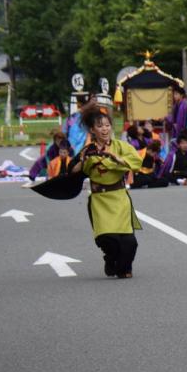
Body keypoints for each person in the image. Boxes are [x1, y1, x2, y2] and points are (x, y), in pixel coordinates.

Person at [69, 101, 143, 279]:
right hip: (99, 199)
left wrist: (116, 159)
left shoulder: (121, 147)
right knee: (107, 239)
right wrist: (83, 160)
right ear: (92, 129)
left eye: (107, 125)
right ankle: (110, 258)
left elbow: (136, 162)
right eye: (100, 126)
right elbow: (72, 172)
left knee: (129, 243)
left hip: (119, 197)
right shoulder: (87, 150)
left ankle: (123, 268)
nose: (104, 129)